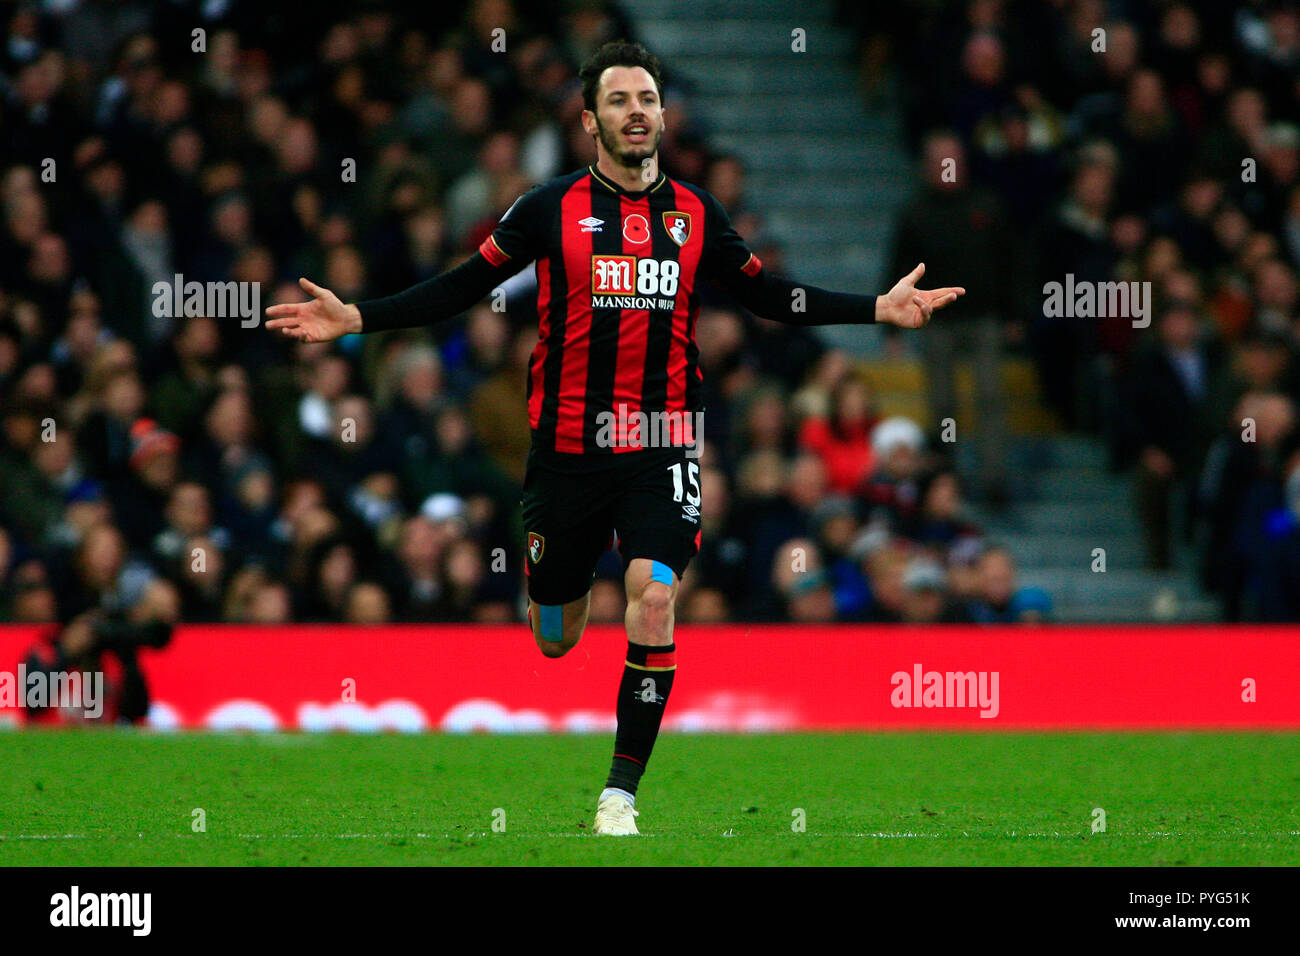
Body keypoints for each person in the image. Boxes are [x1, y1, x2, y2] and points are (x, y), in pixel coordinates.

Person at [266, 41, 965, 835]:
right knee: (558, 635)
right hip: (565, 451)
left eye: (647, 99)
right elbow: (464, 285)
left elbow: (769, 296)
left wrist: (877, 308)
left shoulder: (696, 214)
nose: (637, 112)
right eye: (620, 100)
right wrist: (360, 317)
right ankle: (553, 599)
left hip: (662, 440)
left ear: (663, 114)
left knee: (654, 595)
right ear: (591, 119)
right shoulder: (546, 209)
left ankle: (619, 798)